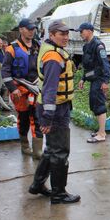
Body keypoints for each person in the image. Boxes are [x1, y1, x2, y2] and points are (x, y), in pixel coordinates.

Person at [28, 20, 80, 204]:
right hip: (54, 109)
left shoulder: (53, 51)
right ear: (51, 35)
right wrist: (47, 118)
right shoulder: (53, 57)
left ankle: (37, 185)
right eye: (61, 34)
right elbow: (50, 89)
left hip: (56, 106)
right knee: (60, 152)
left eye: (67, 34)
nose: (65, 37)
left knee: (51, 150)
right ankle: (59, 194)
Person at [2, 18, 43, 159]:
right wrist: (13, 89)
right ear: (21, 29)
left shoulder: (38, 45)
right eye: (28, 29)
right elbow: (5, 72)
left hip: (36, 88)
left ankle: (38, 151)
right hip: (20, 90)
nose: (32, 31)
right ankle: (25, 146)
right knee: (24, 119)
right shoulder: (12, 49)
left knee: (37, 117)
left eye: (33, 29)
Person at [77, 22, 110, 143]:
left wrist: (106, 81)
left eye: (82, 31)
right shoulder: (86, 46)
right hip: (93, 79)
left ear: (89, 31)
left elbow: (105, 64)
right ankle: (101, 131)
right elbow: (87, 66)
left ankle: (101, 134)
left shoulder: (98, 45)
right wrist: (83, 78)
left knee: (99, 105)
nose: (80, 34)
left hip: (100, 79)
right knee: (94, 104)